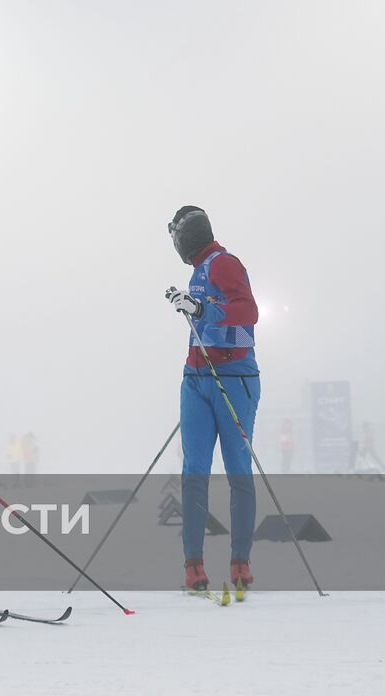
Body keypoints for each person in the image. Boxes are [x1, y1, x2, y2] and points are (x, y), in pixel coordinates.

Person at [165, 205, 260, 592]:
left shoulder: (223, 263)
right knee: (194, 472)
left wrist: (203, 308)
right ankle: (194, 566)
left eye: (173, 235)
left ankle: (240, 562)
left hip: (233, 378)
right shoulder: (199, 271)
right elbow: (208, 317)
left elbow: (248, 312)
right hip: (197, 378)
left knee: (237, 470)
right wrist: (190, 307)